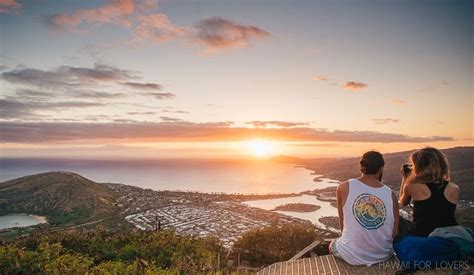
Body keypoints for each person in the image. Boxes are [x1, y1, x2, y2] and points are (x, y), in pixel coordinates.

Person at [329, 151, 399, 266]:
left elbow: (343, 227)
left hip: (352, 256)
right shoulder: (390, 194)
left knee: (332, 244)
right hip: (384, 255)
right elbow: (394, 233)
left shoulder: (344, 187)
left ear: (362, 166)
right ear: (381, 168)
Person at [398, 147, 459, 237]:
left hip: (422, 235)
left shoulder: (413, 186)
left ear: (419, 166)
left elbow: (403, 202)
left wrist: (405, 178)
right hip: (448, 236)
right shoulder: (454, 188)